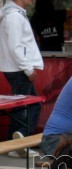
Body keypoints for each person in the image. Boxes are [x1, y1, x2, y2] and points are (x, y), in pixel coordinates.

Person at [0, 0, 44, 158]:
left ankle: (16, 143)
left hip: (17, 68)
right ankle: (19, 143)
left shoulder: (14, 15)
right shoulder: (14, 17)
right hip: (19, 69)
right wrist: (28, 68)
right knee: (25, 107)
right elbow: (15, 47)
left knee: (28, 105)